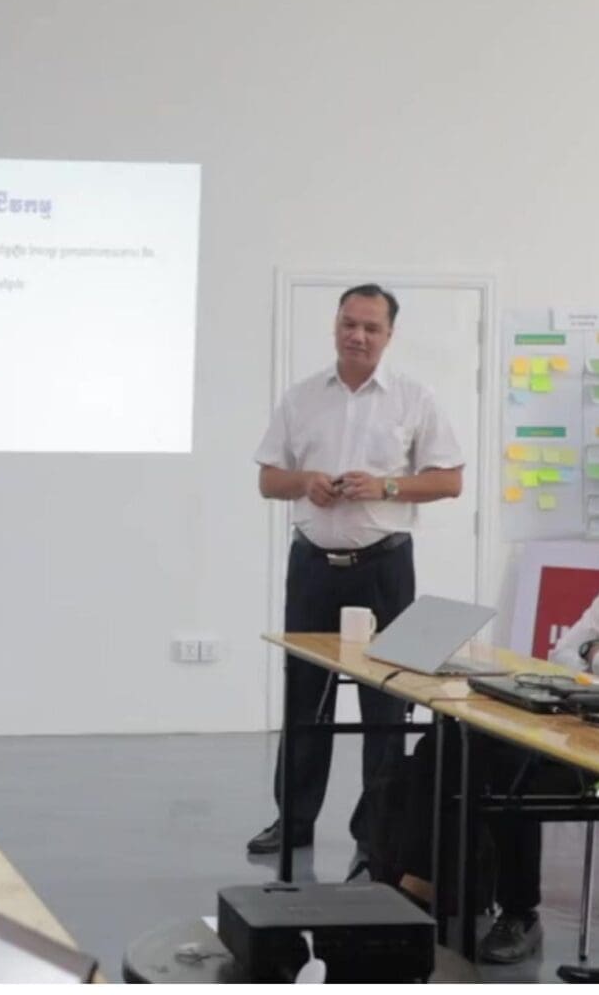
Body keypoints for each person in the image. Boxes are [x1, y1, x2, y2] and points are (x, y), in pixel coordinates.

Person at [394, 473, 599, 974]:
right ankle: (424, 889)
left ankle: (508, 910)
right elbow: (563, 652)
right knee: (452, 741)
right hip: (579, 727)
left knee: (507, 772)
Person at [246, 283, 464, 856]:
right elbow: (269, 478)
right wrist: (305, 481)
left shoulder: (414, 398)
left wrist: (386, 484)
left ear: (389, 335)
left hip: (383, 567)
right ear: (334, 326)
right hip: (314, 565)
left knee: (387, 699)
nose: (357, 336)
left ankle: (379, 832)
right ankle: (291, 821)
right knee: (303, 695)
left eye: (371, 327)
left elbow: (449, 480)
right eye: (349, 324)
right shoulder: (300, 398)